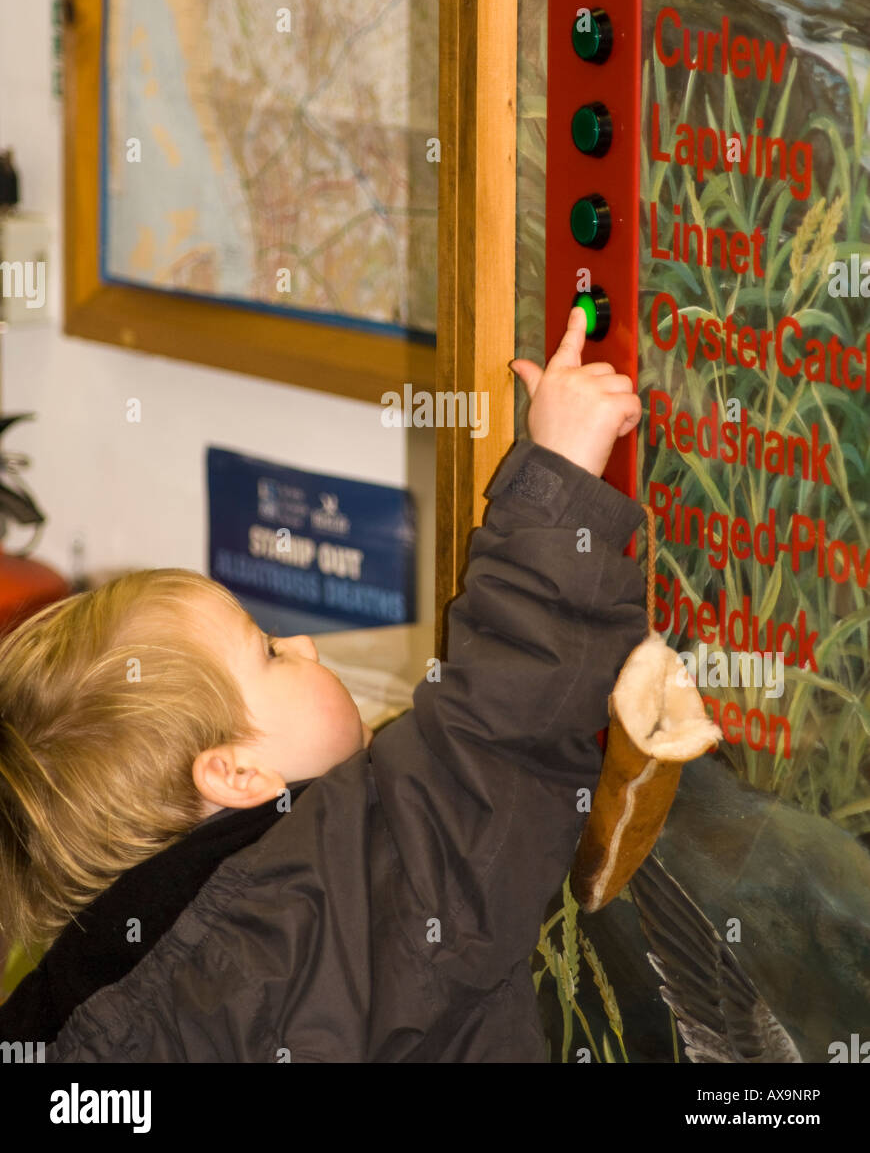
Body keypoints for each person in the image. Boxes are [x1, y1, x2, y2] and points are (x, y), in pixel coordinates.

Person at [0, 304, 647, 1062]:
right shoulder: (324, 896)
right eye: (270, 651)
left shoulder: (82, 1004)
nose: (304, 642)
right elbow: (494, 741)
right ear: (236, 772)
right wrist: (561, 476)